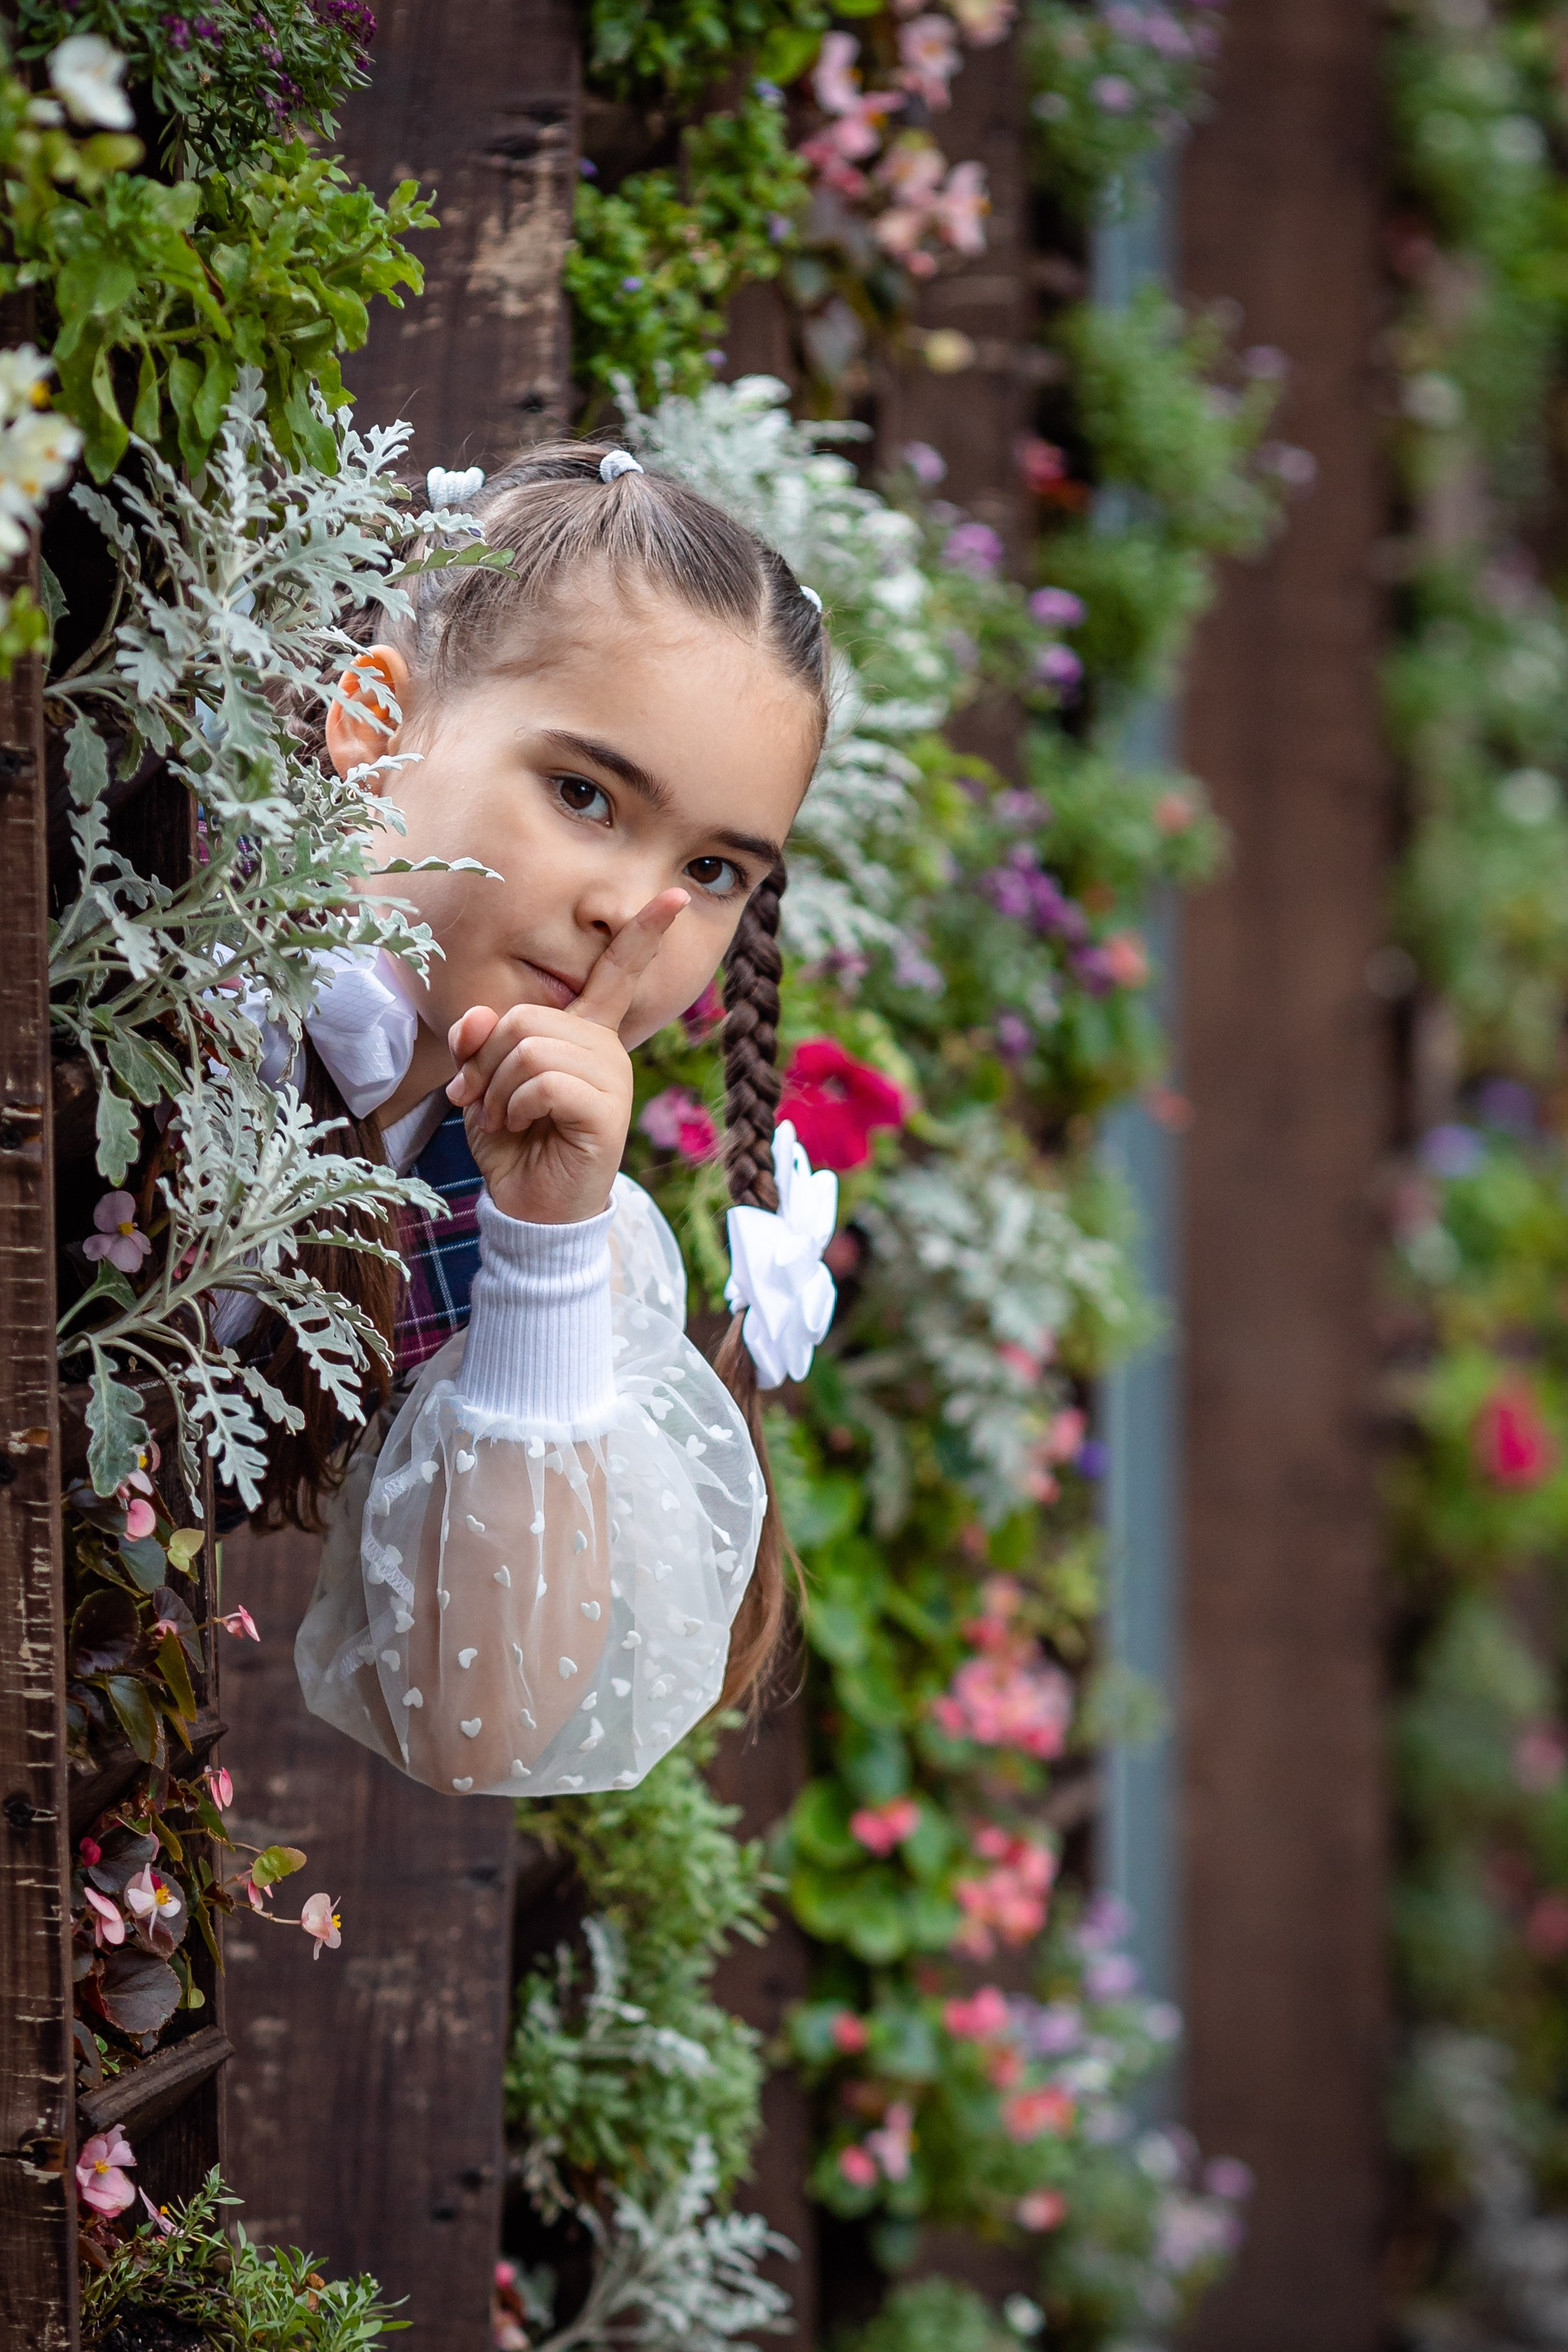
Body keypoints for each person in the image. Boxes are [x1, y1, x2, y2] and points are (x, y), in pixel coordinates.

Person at [225, 444, 837, 1800]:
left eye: (713, 867)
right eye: (584, 795)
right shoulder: (196, 968)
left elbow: (478, 1722)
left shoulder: (544, 1215)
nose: (638, 905)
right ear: (378, 723)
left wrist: (550, 1244)